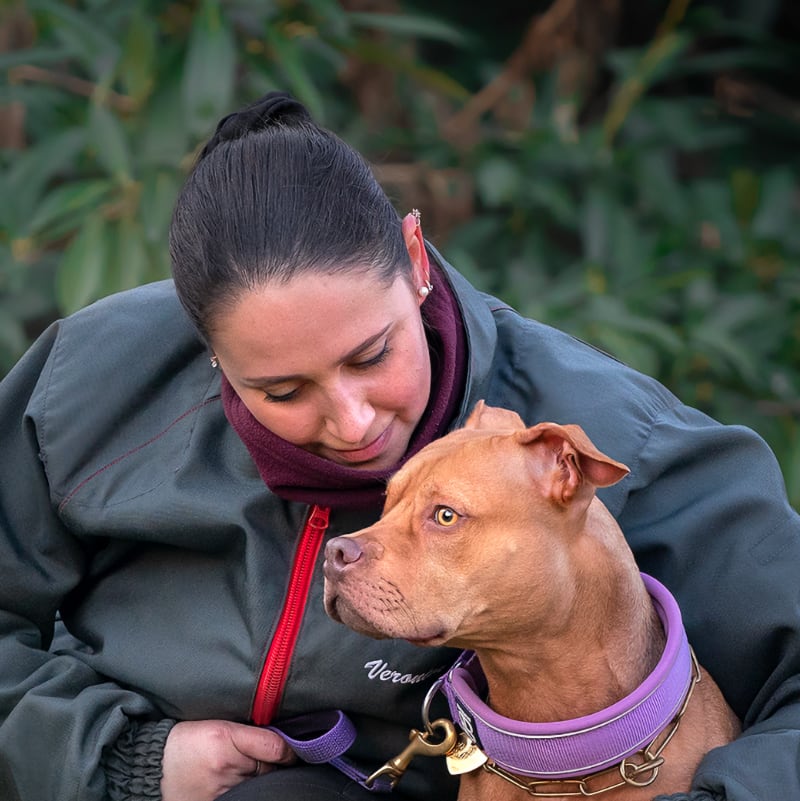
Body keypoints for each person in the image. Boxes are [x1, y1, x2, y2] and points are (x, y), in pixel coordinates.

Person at [0, 90, 798, 801]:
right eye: (283, 392)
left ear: (415, 260)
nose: (352, 422)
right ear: (206, 347)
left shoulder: (615, 442)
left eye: (373, 354)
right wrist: (121, 761)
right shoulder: (92, 385)